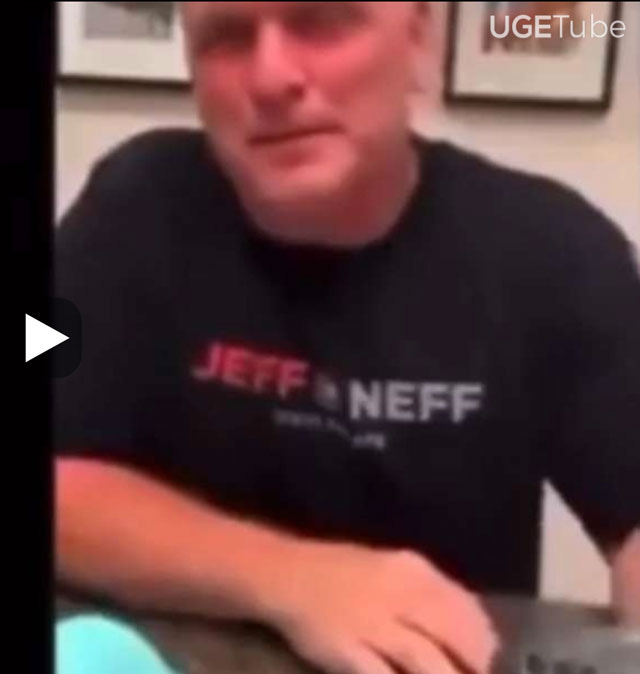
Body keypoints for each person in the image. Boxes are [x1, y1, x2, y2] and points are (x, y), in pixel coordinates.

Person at [53, 4, 640, 674]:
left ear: (418, 39)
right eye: (226, 37)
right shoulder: (131, 208)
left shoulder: (557, 251)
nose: (270, 77)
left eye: (323, 22)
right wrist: (292, 578)